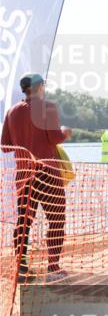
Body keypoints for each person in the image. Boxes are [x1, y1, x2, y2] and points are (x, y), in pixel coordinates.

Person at [1, 73, 72, 282]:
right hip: (48, 171)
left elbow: (5, 145)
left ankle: (21, 270)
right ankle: (53, 268)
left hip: (23, 174)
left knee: (23, 222)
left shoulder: (12, 111)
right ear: (40, 86)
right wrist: (65, 133)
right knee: (56, 220)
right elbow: (54, 137)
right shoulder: (47, 107)